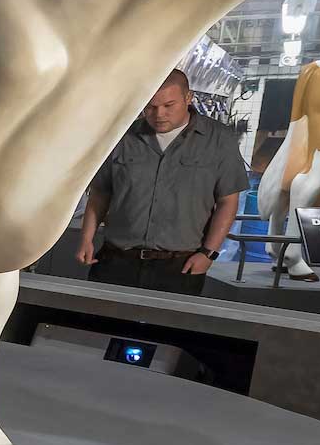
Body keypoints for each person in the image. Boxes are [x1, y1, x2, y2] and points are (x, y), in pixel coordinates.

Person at [77, 68, 249, 296]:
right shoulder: (121, 138)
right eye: (150, 106)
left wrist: (208, 254)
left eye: (169, 106)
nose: (159, 114)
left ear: (188, 98)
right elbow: (101, 192)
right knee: (100, 326)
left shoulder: (219, 140)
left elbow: (228, 201)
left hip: (180, 266)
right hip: (116, 259)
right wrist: (87, 238)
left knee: (166, 330)